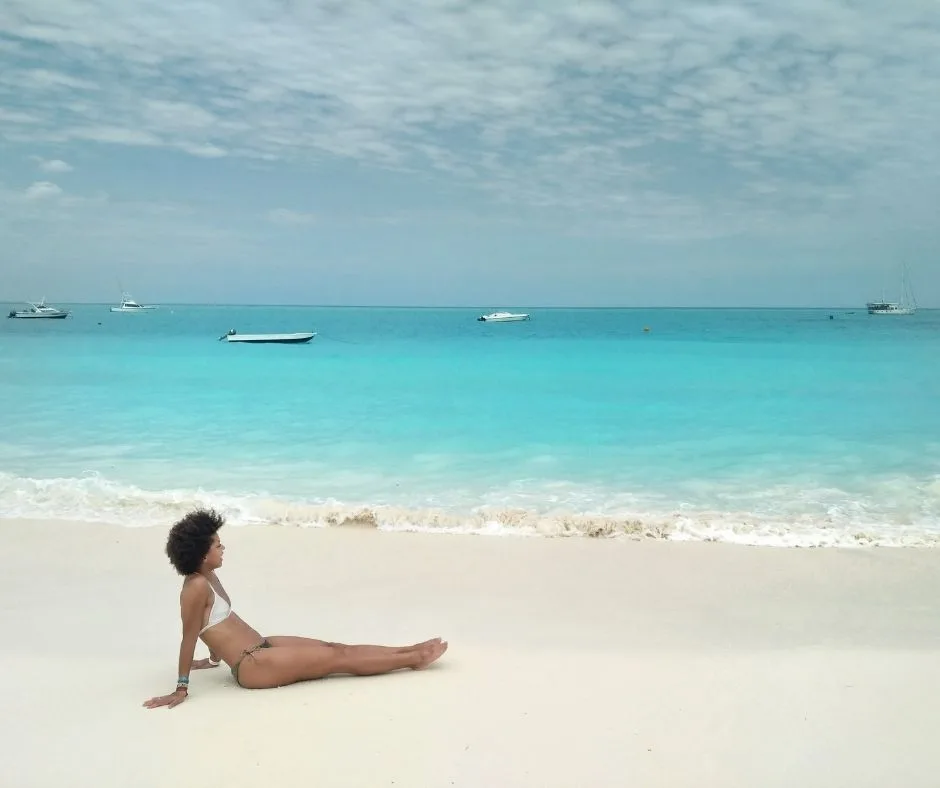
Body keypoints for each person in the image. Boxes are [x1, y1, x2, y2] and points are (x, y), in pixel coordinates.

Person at [144, 508, 447, 709]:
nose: (223, 548)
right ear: (200, 553)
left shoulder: (208, 575)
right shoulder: (194, 587)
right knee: (334, 660)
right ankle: (412, 659)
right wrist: (181, 688)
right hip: (253, 665)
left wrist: (212, 658)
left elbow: (210, 625)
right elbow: (189, 634)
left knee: (335, 647)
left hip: (262, 646)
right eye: (217, 545)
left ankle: (406, 650)